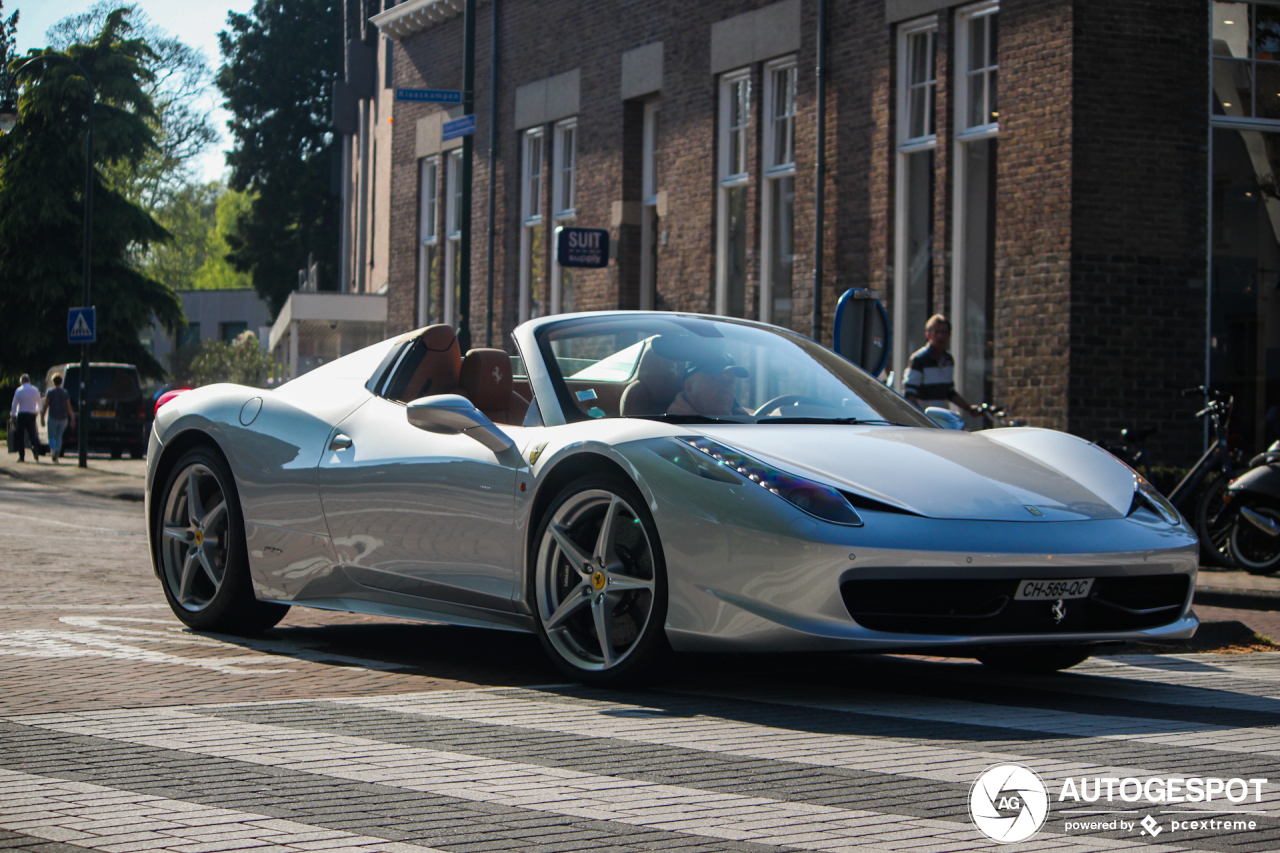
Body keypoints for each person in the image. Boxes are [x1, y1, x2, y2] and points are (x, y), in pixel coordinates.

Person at [903, 314, 980, 415]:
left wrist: (968, 408)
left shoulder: (948, 359)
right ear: (928, 335)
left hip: (939, 419)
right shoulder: (919, 359)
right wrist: (921, 417)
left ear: (949, 335)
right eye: (936, 332)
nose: (940, 336)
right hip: (923, 422)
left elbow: (949, 391)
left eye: (943, 332)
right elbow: (908, 393)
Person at [667, 352, 749, 417]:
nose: (726, 387)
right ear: (689, 386)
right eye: (715, 380)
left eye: (730, 381)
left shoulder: (745, 420)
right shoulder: (674, 426)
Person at [41, 373, 74, 463]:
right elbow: (69, 406)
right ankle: (56, 456)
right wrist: (72, 418)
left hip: (53, 417)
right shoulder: (65, 392)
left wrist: (42, 416)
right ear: (61, 381)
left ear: (53, 382)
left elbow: (46, 405)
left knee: (51, 437)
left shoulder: (50, 392)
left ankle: (54, 450)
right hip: (63, 418)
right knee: (59, 437)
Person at [9, 374, 42, 463]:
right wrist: (37, 411)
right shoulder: (35, 390)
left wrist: (12, 416)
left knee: (21, 435)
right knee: (32, 433)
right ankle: (34, 447)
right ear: (29, 381)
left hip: (21, 414)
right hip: (31, 414)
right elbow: (40, 402)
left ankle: (22, 456)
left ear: (21, 381)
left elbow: (14, 404)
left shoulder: (19, 390)